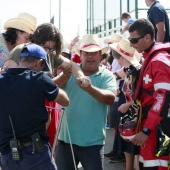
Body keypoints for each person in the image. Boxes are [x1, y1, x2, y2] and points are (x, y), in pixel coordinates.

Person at [0, 43, 69, 170]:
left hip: (8, 154)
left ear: (21, 59)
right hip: (35, 153)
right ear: (39, 62)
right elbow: (65, 101)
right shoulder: (39, 79)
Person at [54, 34, 117, 170]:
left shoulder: (106, 75)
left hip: (93, 144)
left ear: (100, 54)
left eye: (94, 53)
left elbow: (110, 99)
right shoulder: (70, 71)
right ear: (81, 55)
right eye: (87, 53)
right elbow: (52, 88)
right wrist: (64, 76)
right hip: (66, 141)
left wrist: (89, 89)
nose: (90, 56)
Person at [128, 18, 169, 169]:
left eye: (133, 40)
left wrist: (146, 130)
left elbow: (162, 98)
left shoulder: (158, 61)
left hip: (157, 130)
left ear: (147, 37)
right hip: (150, 127)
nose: (131, 44)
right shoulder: (148, 57)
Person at [109, 38, 141, 170]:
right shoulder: (129, 69)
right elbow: (113, 75)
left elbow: (141, 96)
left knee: (136, 149)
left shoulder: (136, 70)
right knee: (129, 147)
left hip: (136, 115)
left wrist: (127, 105)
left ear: (120, 56)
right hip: (130, 115)